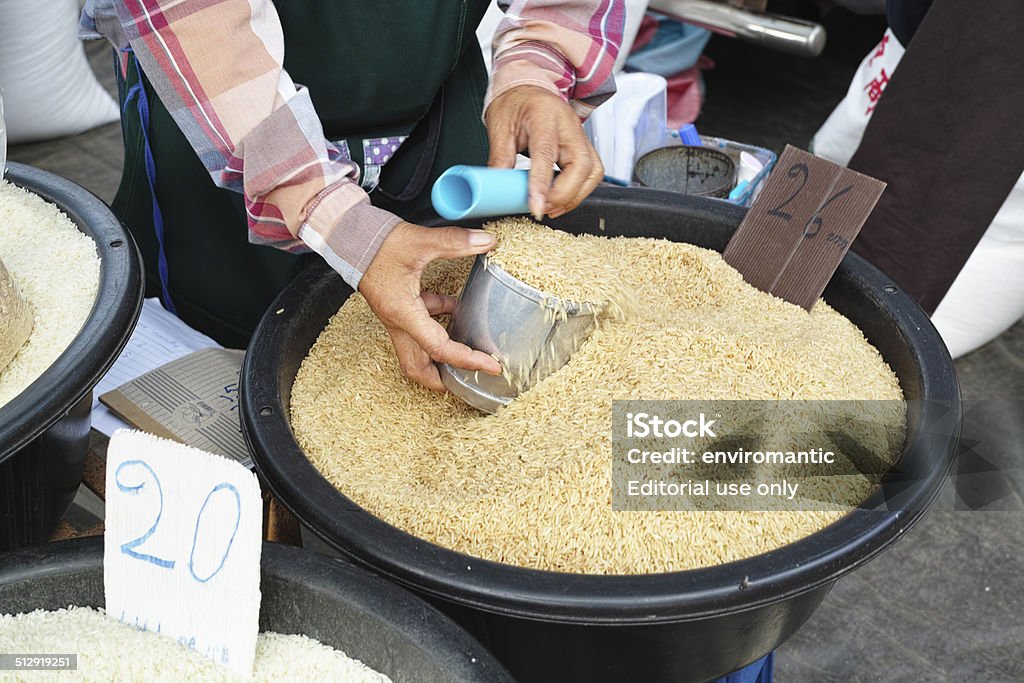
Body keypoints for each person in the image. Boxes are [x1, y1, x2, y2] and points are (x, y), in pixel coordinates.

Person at [81, 1, 625, 390]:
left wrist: (536, 67)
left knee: (442, 305)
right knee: (247, 354)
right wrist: (348, 229)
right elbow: (201, 26)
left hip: (430, 101)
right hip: (223, 109)